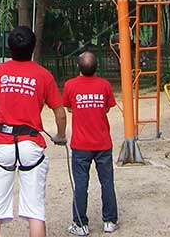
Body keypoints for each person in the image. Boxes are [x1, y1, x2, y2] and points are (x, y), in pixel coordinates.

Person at [0, 26, 66, 237]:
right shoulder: (43, 75)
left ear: (10, 47)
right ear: (32, 47)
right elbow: (60, 112)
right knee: (35, 211)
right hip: (30, 143)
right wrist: (60, 135)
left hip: (2, 142)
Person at [61, 51, 118, 236]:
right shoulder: (104, 85)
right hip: (103, 143)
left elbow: (69, 107)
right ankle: (110, 221)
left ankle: (80, 224)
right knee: (107, 182)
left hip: (81, 145)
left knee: (81, 185)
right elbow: (108, 107)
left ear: (78, 67)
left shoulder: (70, 85)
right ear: (97, 67)